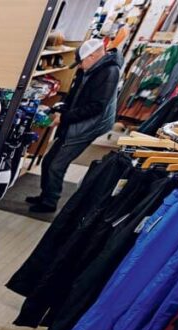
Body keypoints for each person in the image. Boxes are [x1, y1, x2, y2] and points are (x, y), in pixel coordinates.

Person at [27, 38, 121, 214]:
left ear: (92, 56)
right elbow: (76, 94)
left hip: (88, 126)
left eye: (81, 61)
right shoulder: (91, 69)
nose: (79, 66)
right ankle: (45, 195)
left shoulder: (109, 72)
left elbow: (96, 107)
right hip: (76, 121)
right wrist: (62, 110)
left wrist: (64, 118)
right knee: (48, 161)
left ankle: (49, 202)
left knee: (57, 165)